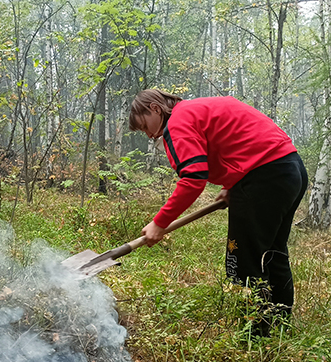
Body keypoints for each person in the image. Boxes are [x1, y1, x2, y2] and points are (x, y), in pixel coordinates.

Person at [129, 89, 308, 336]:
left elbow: (193, 178)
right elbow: (238, 142)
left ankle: (256, 336)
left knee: (244, 260)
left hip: (264, 178)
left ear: (155, 108)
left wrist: (160, 223)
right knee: (272, 253)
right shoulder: (196, 110)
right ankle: (278, 328)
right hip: (289, 169)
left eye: (144, 125)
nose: (148, 134)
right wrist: (230, 185)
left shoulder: (178, 122)